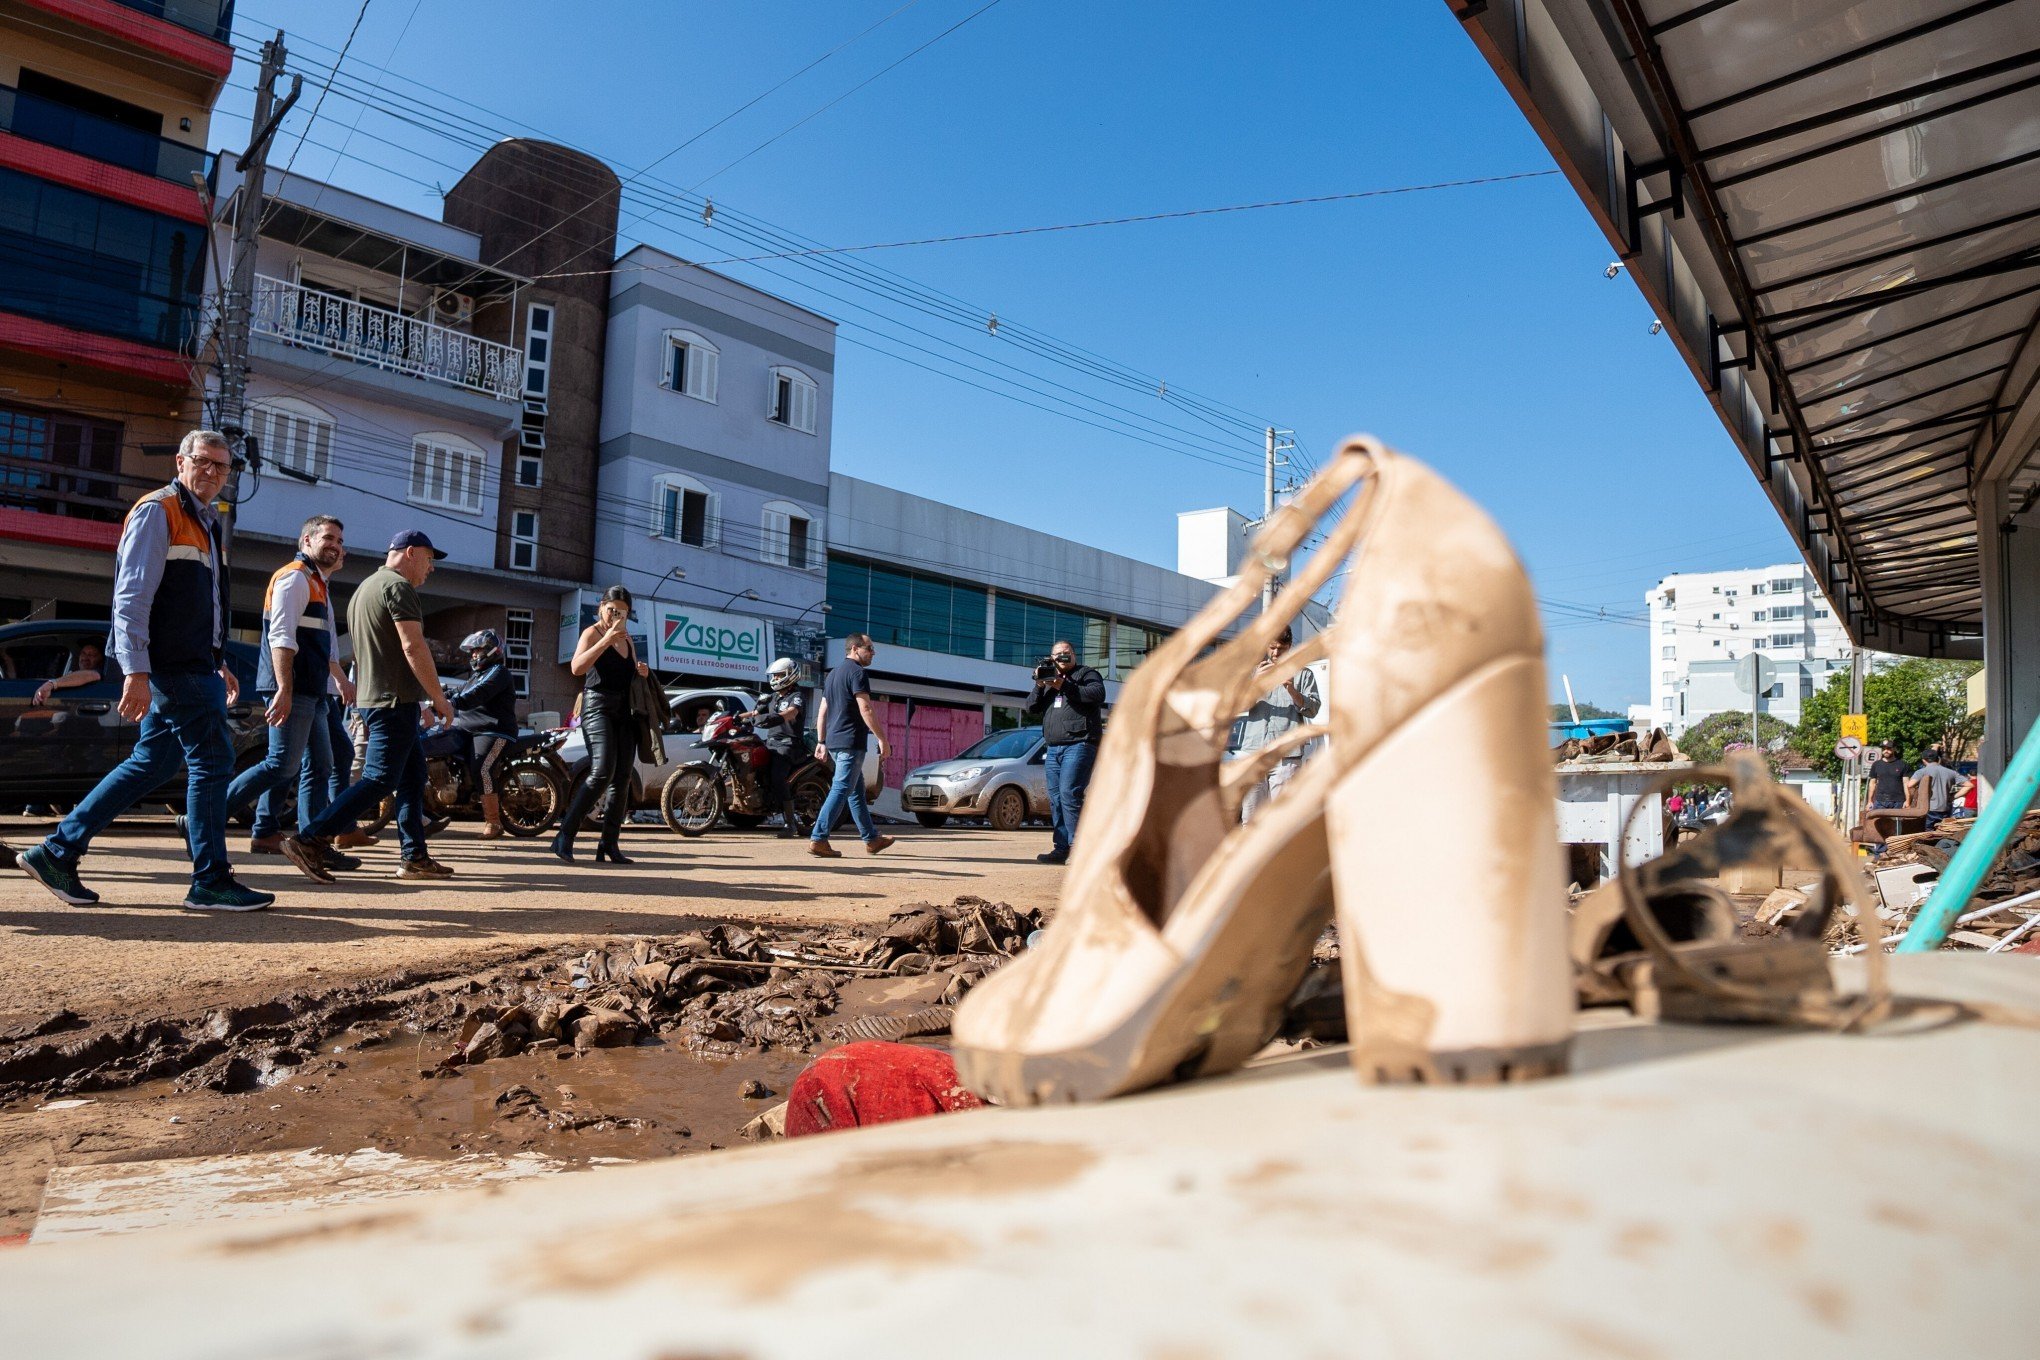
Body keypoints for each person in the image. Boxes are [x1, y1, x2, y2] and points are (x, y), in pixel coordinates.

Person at [15, 431, 273, 912]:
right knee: (215, 763)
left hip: (194, 664)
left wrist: (218, 660)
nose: (214, 473)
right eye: (205, 462)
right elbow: (131, 598)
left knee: (153, 763)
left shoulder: (204, 521)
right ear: (180, 462)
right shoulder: (159, 511)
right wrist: (134, 670)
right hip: (173, 667)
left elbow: (202, 603)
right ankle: (210, 880)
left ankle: (56, 852)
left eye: (223, 466)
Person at [281, 531, 456, 883]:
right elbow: (412, 646)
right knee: (379, 778)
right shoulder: (398, 587)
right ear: (409, 553)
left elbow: (382, 652)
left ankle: (414, 857)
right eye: (428, 559)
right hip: (393, 701)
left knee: (411, 777)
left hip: (382, 699)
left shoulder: (365, 588)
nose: (431, 568)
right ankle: (310, 839)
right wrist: (438, 697)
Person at [222, 515, 357, 858]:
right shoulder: (294, 578)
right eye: (328, 538)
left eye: (340, 541)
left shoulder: (316, 582)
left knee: (319, 765)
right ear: (306, 541)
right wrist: (284, 687)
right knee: (282, 763)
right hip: (293, 688)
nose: (336, 545)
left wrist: (337, 679)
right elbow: (280, 636)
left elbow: (322, 647)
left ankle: (310, 841)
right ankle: (205, 816)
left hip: (311, 690)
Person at [552, 586, 649, 864]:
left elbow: (628, 677)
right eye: (612, 610)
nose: (616, 616)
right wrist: (605, 640)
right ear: (601, 609)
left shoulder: (628, 639)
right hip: (597, 708)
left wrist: (641, 671)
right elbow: (577, 668)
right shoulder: (592, 633)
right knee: (601, 771)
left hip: (624, 711)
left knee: (622, 778)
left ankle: (609, 844)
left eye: (623, 612)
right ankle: (565, 835)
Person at [809, 633, 894, 859]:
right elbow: (865, 708)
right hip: (850, 741)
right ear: (855, 649)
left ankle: (871, 839)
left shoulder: (834, 675)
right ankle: (818, 838)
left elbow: (822, 710)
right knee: (841, 788)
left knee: (855, 791)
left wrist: (821, 740)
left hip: (836, 742)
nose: (873, 652)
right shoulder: (857, 673)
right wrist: (882, 739)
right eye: (870, 648)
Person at [1025, 639, 1105, 865]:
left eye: (1066, 652)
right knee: (1057, 798)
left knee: (1070, 793)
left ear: (1074, 655)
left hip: (1080, 744)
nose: (1062, 656)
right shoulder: (1049, 684)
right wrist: (1040, 685)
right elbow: (1030, 707)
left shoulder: (1086, 674)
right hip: (1054, 749)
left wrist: (1063, 684)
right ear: (1051, 659)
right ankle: (1061, 848)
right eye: (1057, 654)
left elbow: (1097, 694)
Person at [1232, 627, 1322, 822]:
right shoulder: (1253, 673)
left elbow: (1313, 709)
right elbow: (1237, 707)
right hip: (1254, 754)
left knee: (1281, 820)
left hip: (1285, 757)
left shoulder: (1303, 674)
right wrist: (1255, 684)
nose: (1275, 653)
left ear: (1289, 647)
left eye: (1280, 649)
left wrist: (1292, 691)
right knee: (1250, 819)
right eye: (1271, 648)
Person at [451, 629, 519, 839]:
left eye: (478, 650)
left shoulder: (498, 673)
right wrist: (432, 697)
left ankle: (494, 822)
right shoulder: (476, 675)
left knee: (482, 767)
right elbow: (457, 692)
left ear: (491, 651)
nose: (473, 654)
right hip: (468, 730)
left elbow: (475, 695)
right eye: (472, 651)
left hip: (495, 731)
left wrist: (451, 702)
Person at [744, 656, 808, 838]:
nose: (775, 679)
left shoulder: (797, 696)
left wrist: (776, 717)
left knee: (777, 776)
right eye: (774, 675)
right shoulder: (772, 697)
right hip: (771, 743)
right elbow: (755, 712)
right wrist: (735, 718)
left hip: (789, 744)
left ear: (790, 676)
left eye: (779, 675)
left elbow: (791, 713)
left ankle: (790, 824)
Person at [30, 640, 109, 705]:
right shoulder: (71, 674)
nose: (85, 657)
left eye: (91, 655)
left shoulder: (97, 673)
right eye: (83, 653)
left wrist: (51, 684)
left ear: (100, 660)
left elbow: (92, 675)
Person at [1912, 747, 1961, 830]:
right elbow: (1966, 785)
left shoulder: (1922, 772)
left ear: (1924, 760)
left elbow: (1910, 785)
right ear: (1938, 759)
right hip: (1945, 808)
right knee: (1944, 831)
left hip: (1928, 809)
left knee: (1928, 832)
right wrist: (1952, 795)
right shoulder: (1951, 772)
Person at [1867, 741, 1910, 811]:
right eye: (1883, 749)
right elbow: (1872, 783)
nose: (1886, 751)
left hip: (1898, 802)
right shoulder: (1876, 764)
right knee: (1880, 822)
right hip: (1880, 802)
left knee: (1896, 822)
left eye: (1889, 748)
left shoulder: (1902, 764)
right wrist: (1870, 801)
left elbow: (1906, 784)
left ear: (1894, 749)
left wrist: (1907, 800)